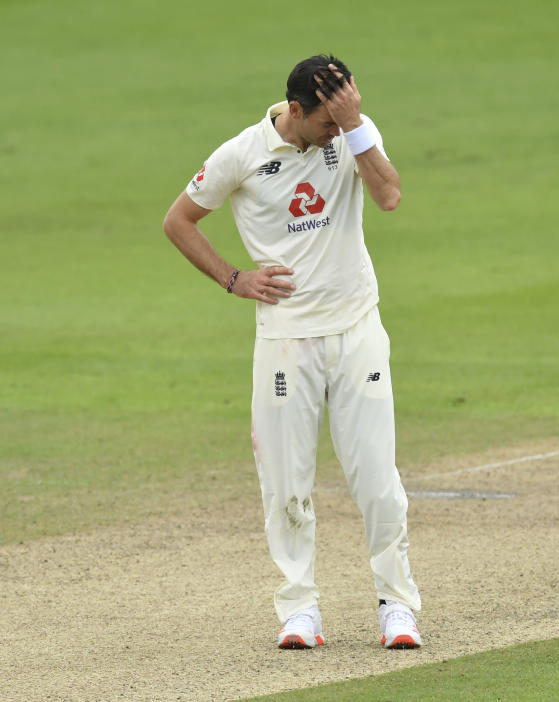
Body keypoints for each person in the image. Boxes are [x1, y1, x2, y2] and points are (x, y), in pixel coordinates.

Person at [162, 54, 422, 650]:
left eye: (344, 119)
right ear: (297, 109)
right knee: (286, 483)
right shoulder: (242, 154)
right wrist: (234, 278)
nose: (336, 131)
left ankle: (397, 607)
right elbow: (179, 220)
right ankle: (300, 609)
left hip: (357, 328)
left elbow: (389, 197)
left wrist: (355, 126)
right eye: (328, 122)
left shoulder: (352, 130)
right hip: (285, 340)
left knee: (379, 481)